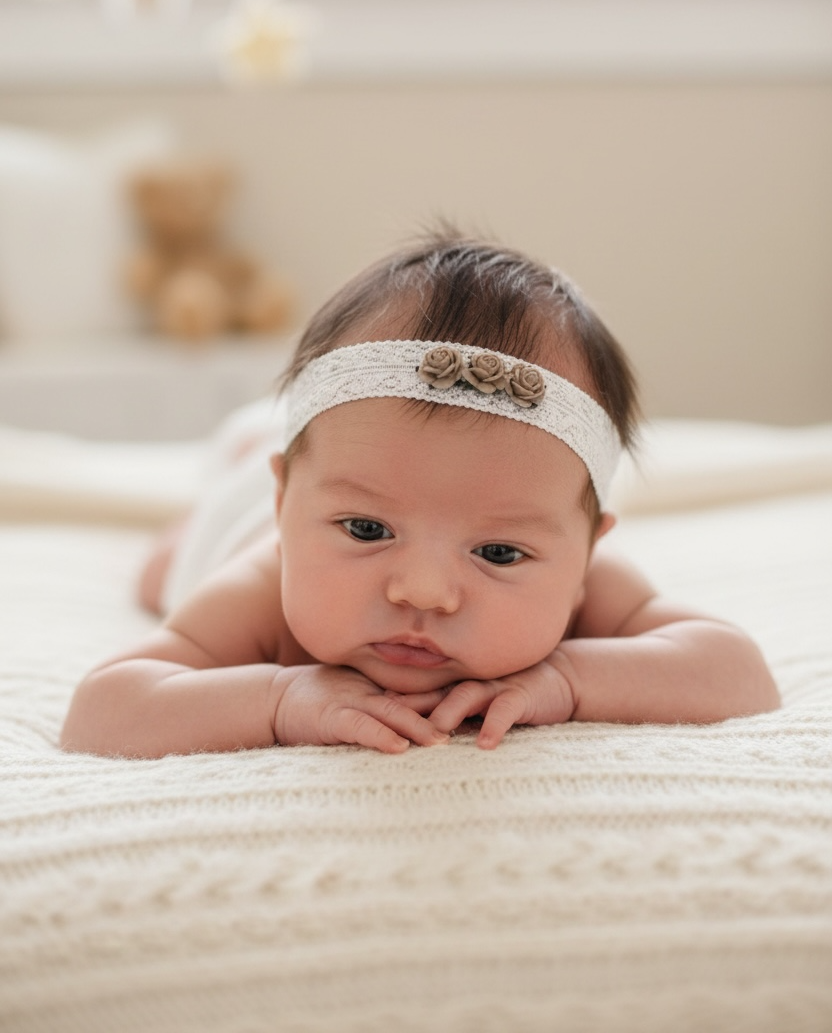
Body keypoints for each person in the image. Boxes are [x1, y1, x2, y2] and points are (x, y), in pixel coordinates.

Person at [61, 229, 780, 758]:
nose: (424, 592)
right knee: (166, 572)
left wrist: (569, 676)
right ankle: (239, 473)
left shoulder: (579, 589)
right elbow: (104, 710)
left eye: (498, 552)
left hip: (304, 474)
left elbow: (736, 671)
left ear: (587, 554)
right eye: (366, 531)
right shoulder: (263, 580)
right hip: (241, 506)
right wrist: (279, 697)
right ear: (290, 511)